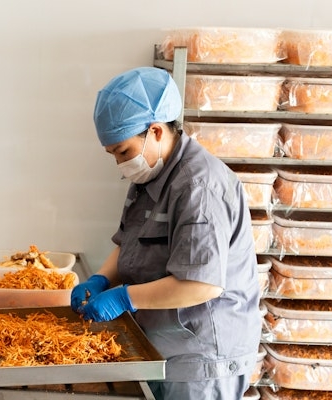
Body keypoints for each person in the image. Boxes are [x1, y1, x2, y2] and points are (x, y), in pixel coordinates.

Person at [70, 67, 261, 399]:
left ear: (155, 131)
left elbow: (202, 284)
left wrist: (124, 297)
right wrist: (100, 279)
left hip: (201, 360)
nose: (120, 163)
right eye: (113, 154)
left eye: (124, 152)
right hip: (163, 346)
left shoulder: (198, 186)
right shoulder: (151, 175)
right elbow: (132, 241)